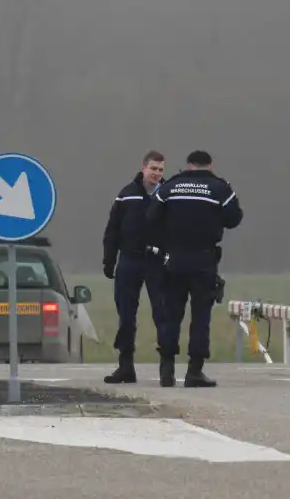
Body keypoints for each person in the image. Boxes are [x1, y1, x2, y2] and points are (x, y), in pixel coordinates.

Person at [146, 150, 242, 387]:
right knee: (200, 317)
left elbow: (150, 217)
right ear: (210, 166)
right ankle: (194, 372)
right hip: (203, 260)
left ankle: (166, 372)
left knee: (171, 316)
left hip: (174, 259)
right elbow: (234, 219)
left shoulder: (170, 187)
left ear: (188, 166)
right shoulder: (220, 188)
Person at [100, 150, 169, 384]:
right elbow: (113, 229)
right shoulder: (126, 195)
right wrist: (109, 260)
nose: (157, 174)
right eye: (153, 169)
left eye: (161, 170)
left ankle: (166, 368)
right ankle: (125, 366)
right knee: (126, 315)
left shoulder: (168, 195)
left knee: (163, 314)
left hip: (157, 261)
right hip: (129, 260)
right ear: (143, 168)